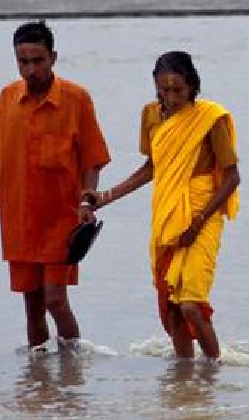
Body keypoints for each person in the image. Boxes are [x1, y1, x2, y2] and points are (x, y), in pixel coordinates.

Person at [91, 51, 240, 360]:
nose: (171, 97)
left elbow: (232, 178)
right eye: (164, 90)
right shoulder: (151, 116)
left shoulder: (211, 119)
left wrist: (197, 222)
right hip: (168, 213)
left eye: (178, 90)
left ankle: (213, 374)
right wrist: (105, 196)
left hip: (203, 214)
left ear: (193, 86)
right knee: (173, 308)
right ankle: (185, 380)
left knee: (191, 303)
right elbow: (153, 168)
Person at [0, 22, 111, 352]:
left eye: (38, 60)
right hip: (19, 220)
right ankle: (41, 385)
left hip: (62, 220)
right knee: (32, 306)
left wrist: (87, 203)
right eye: (24, 62)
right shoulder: (7, 99)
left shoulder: (76, 99)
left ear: (53, 57)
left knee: (55, 300)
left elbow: (92, 159)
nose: (31, 69)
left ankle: (73, 367)